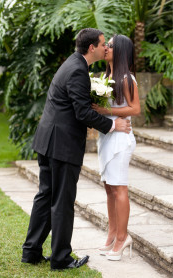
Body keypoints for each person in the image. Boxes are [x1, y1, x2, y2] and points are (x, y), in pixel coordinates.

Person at [21, 28, 132, 270]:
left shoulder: (72, 64)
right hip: (62, 145)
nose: (106, 48)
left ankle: (31, 251)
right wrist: (113, 125)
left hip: (49, 141)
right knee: (61, 201)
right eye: (103, 44)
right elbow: (82, 113)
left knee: (45, 197)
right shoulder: (78, 71)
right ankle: (61, 258)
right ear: (92, 47)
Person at [92, 34, 139, 261]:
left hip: (121, 140)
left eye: (110, 45)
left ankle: (122, 238)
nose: (106, 48)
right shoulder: (105, 77)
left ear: (119, 51)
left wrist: (105, 112)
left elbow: (135, 109)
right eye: (106, 44)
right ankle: (112, 235)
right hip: (107, 137)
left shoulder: (127, 79)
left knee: (119, 189)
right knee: (109, 188)